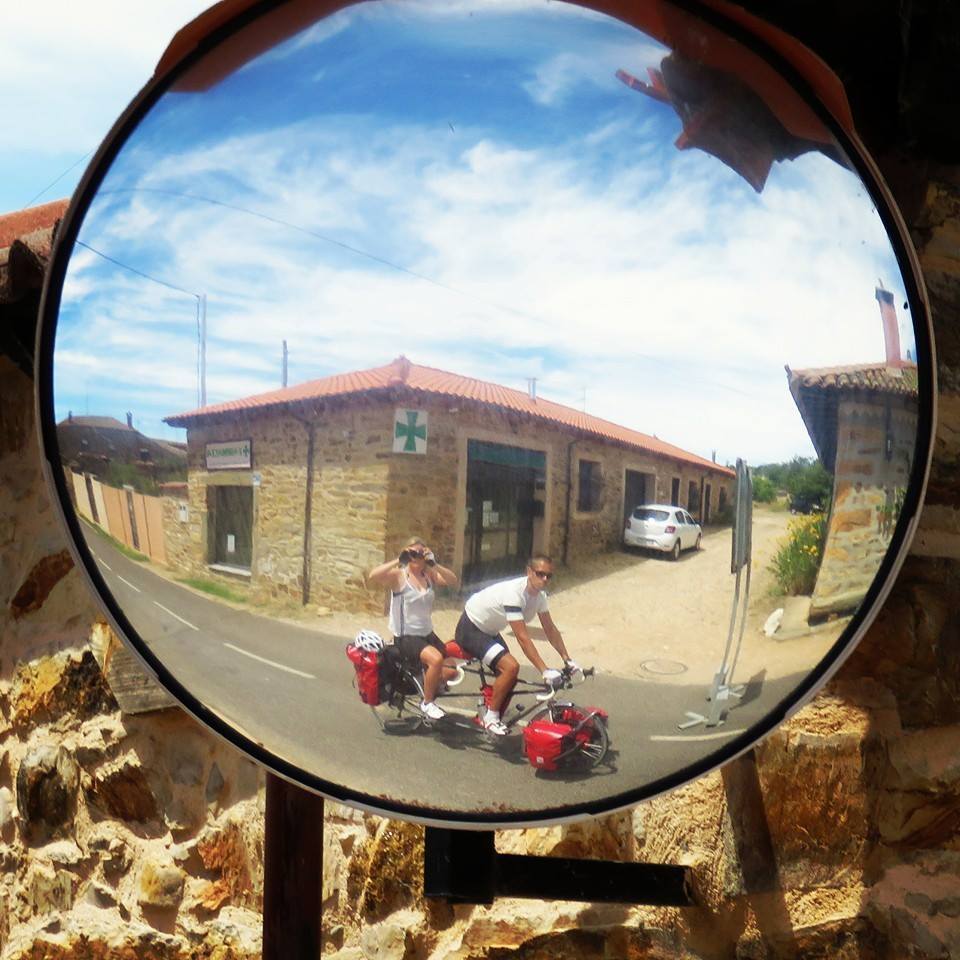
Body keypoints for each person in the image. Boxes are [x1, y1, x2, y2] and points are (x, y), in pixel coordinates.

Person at [454, 554, 581, 736]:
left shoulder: (539, 597)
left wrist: (567, 659)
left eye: (549, 576)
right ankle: (491, 718)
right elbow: (523, 637)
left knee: (510, 676)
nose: (544, 579)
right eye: (540, 574)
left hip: (490, 631)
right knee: (511, 667)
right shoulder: (514, 594)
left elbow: (550, 629)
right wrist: (544, 670)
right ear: (529, 572)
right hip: (471, 628)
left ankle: (490, 709)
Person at [366, 538, 459, 721]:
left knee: (451, 671)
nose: (417, 557)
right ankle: (427, 702)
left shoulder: (429, 575)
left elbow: (452, 580)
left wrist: (435, 564)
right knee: (436, 660)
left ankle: (422, 685)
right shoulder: (400, 576)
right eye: (413, 553)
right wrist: (399, 559)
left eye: (420, 553)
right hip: (406, 637)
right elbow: (373, 576)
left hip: (427, 634)